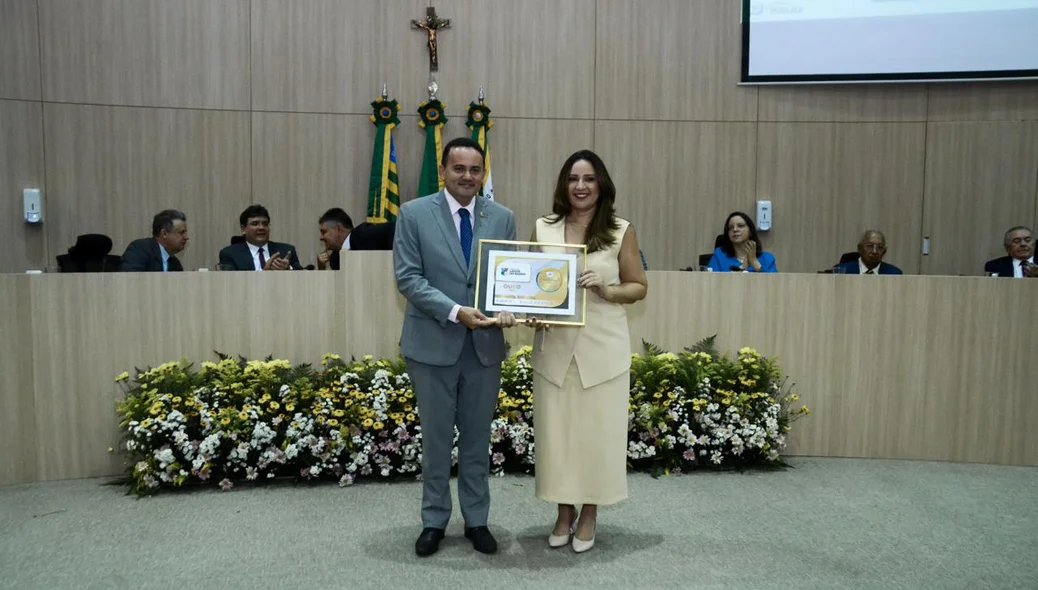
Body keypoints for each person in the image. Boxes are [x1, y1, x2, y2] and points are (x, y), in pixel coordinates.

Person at [393, 137, 517, 557]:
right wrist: (454, 311)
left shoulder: (502, 217)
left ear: (484, 173)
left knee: (478, 439)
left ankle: (477, 520)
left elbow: (509, 279)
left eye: (475, 170)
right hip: (432, 345)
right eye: (459, 169)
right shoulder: (412, 213)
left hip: (484, 347)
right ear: (443, 171)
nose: (467, 177)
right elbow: (408, 278)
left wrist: (512, 309)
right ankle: (433, 521)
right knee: (436, 439)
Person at [528, 150, 648, 554]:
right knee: (558, 437)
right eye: (574, 178)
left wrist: (607, 289)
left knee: (597, 438)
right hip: (554, 352)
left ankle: (590, 514)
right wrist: (531, 313)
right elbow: (529, 286)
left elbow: (638, 286)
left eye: (590, 179)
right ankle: (563, 513)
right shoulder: (542, 229)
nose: (581, 186)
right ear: (564, 184)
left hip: (603, 352)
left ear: (602, 186)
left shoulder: (620, 230)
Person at [218, 205, 301, 271]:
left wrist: (288, 269)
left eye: (265, 224)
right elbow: (230, 283)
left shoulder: (286, 251)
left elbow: (302, 276)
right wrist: (265, 272)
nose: (261, 227)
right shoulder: (229, 254)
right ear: (243, 229)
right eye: (255, 223)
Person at [317, 208, 396, 270]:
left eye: (324, 232)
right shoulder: (335, 259)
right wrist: (322, 268)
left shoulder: (365, 234)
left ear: (338, 229)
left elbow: (398, 229)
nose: (321, 237)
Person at [119, 209, 188, 272]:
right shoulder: (140, 249)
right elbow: (130, 279)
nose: (186, 237)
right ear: (164, 234)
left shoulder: (175, 264)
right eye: (181, 233)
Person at [707, 212, 777, 272]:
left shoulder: (768, 258)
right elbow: (711, 281)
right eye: (730, 227)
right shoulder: (719, 255)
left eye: (740, 226)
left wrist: (755, 262)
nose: (735, 229)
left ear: (750, 232)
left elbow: (775, 283)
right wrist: (742, 267)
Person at [835, 230, 903, 275]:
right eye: (870, 246)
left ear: (884, 251)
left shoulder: (894, 273)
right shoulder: (842, 271)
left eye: (879, 247)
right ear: (860, 248)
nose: (874, 251)